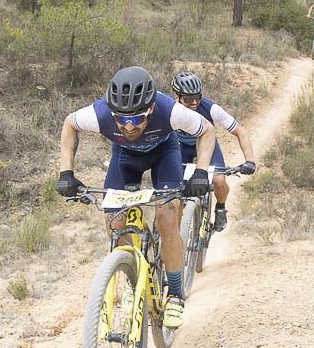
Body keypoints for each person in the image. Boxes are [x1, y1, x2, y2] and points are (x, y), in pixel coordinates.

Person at [56, 66, 216, 329]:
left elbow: (207, 130)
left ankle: (175, 294)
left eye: (137, 118)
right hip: (125, 158)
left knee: (166, 219)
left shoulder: (169, 110)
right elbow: (70, 124)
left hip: (164, 155)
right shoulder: (99, 113)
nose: (128, 126)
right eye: (121, 119)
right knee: (114, 222)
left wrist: (200, 173)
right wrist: (66, 173)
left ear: (151, 109)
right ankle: (132, 276)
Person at [170, 71, 256, 232]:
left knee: (219, 180)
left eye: (198, 97)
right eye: (188, 99)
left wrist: (249, 160)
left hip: (207, 145)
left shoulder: (210, 108)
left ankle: (221, 207)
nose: (194, 102)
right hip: (180, 147)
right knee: (176, 191)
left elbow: (240, 131)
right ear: (178, 96)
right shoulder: (170, 109)